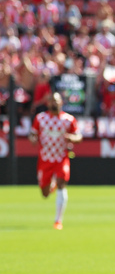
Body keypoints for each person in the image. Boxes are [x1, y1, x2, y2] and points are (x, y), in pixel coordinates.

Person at [28, 92, 82, 230]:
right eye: (52, 101)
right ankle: (50, 185)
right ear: (48, 103)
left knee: (62, 183)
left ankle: (58, 220)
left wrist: (72, 138)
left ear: (61, 103)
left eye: (56, 101)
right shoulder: (41, 118)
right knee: (45, 194)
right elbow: (32, 134)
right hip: (45, 158)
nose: (54, 103)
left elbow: (78, 136)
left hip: (61, 157)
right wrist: (33, 139)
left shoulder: (68, 120)